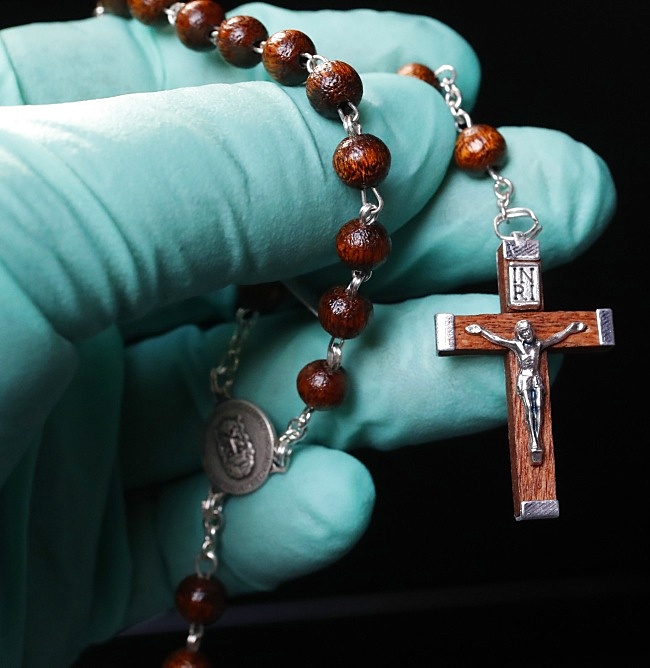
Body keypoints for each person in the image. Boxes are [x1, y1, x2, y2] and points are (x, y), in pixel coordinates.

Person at [0, 3, 616, 667]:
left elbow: (582, 327)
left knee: (519, 393)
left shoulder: (535, 332)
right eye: (522, 338)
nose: (526, 343)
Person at [465, 319, 586, 461]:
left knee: (539, 408)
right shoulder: (517, 345)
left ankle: (538, 438)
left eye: (528, 330)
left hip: (536, 378)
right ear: (519, 334)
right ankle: (534, 440)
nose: (527, 333)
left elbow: (555, 338)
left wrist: (570, 330)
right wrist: (481, 331)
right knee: (529, 408)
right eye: (524, 331)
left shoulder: (538, 345)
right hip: (524, 379)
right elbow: (498, 340)